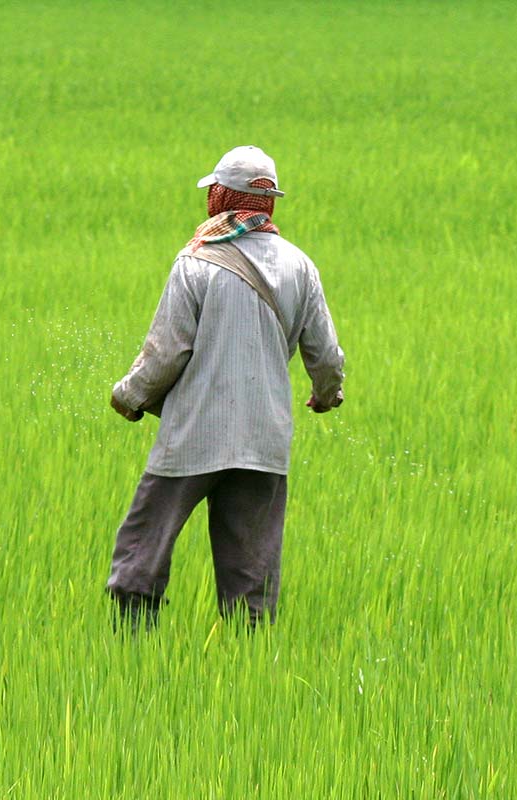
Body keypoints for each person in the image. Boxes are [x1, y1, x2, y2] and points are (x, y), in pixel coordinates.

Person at [106, 145, 345, 631]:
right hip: (264, 441)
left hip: (193, 436)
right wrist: (326, 394)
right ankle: (249, 665)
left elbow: (166, 353)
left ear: (221, 197)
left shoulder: (195, 262)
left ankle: (129, 651)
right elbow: (326, 357)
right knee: (250, 581)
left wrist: (129, 397)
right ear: (268, 203)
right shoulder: (301, 266)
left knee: (139, 554)